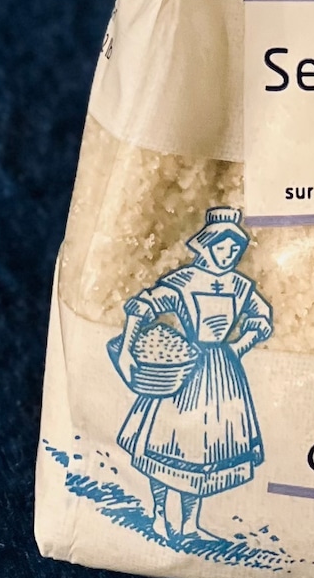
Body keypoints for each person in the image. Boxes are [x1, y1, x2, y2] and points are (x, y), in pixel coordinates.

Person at [113, 207, 272, 542]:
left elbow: (261, 318)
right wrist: (128, 348)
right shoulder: (184, 281)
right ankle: (159, 515)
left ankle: (189, 525)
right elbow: (143, 306)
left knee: (202, 453)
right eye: (222, 247)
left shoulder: (240, 285)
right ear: (206, 246)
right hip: (182, 368)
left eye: (234, 249)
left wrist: (238, 347)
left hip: (221, 376)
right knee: (163, 444)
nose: (228, 254)